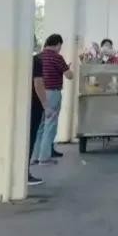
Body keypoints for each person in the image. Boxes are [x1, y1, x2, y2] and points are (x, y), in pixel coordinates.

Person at [31, 34, 73, 165]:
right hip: (53, 93)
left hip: (40, 93)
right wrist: (68, 68)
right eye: (60, 46)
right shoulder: (57, 57)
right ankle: (45, 157)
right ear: (58, 44)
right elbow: (69, 75)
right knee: (50, 125)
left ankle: (34, 156)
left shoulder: (38, 57)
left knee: (40, 126)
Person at [27, 50, 45, 186]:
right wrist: (46, 105)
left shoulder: (29, 61)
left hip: (24, 106)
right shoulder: (36, 62)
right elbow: (38, 83)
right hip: (34, 105)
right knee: (30, 138)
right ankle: (25, 174)